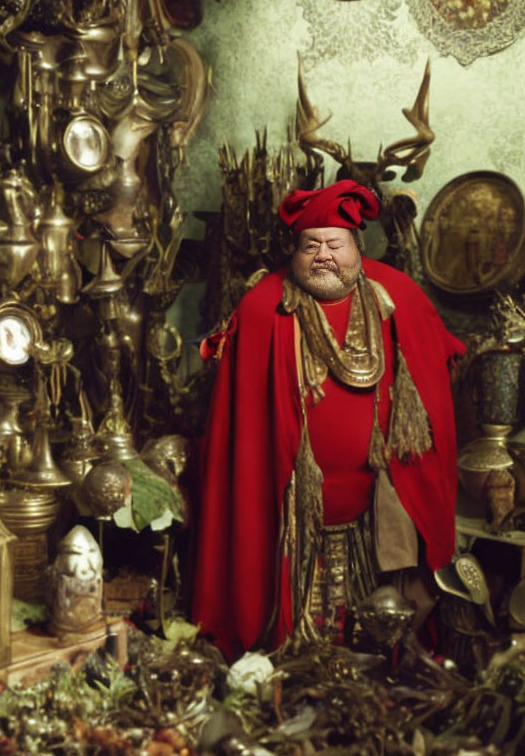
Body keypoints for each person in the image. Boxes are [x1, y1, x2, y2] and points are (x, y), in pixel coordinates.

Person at [191, 179, 463, 658]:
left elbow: (441, 361)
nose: (323, 256)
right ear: (294, 252)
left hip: (374, 508)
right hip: (292, 513)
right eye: (311, 245)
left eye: (335, 244)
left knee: (378, 638)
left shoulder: (395, 294)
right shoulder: (261, 308)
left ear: (357, 248)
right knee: (295, 649)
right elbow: (238, 429)